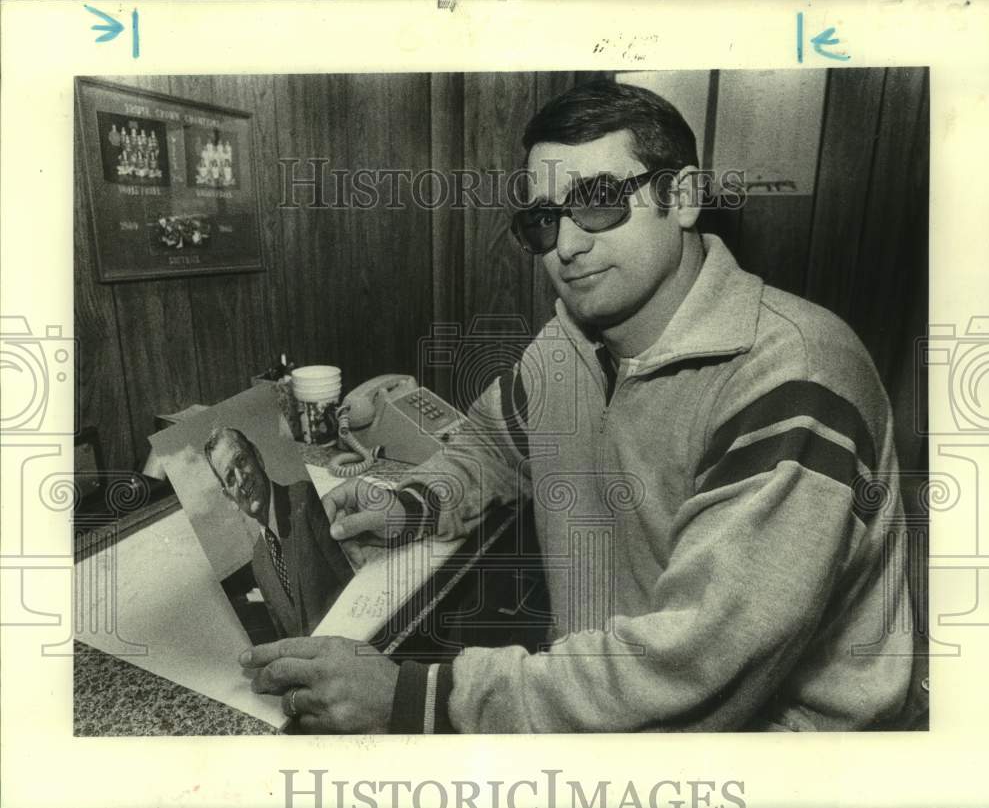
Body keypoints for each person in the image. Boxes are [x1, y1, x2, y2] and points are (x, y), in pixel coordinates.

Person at [238, 81, 914, 733]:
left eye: (596, 201)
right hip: (607, 707)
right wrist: (406, 505)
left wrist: (408, 697)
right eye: (544, 218)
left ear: (681, 197)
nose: (565, 246)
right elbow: (490, 448)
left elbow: (696, 667)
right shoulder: (568, 345)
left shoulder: (793, 373)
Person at [205, 426, 355, 638]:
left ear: (257, 456)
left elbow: (352, 585)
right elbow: (284, 636)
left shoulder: (305, 497)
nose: (241, 479)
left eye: (241, 461)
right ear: (230, 498)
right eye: (230, 478)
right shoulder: (258, 561)